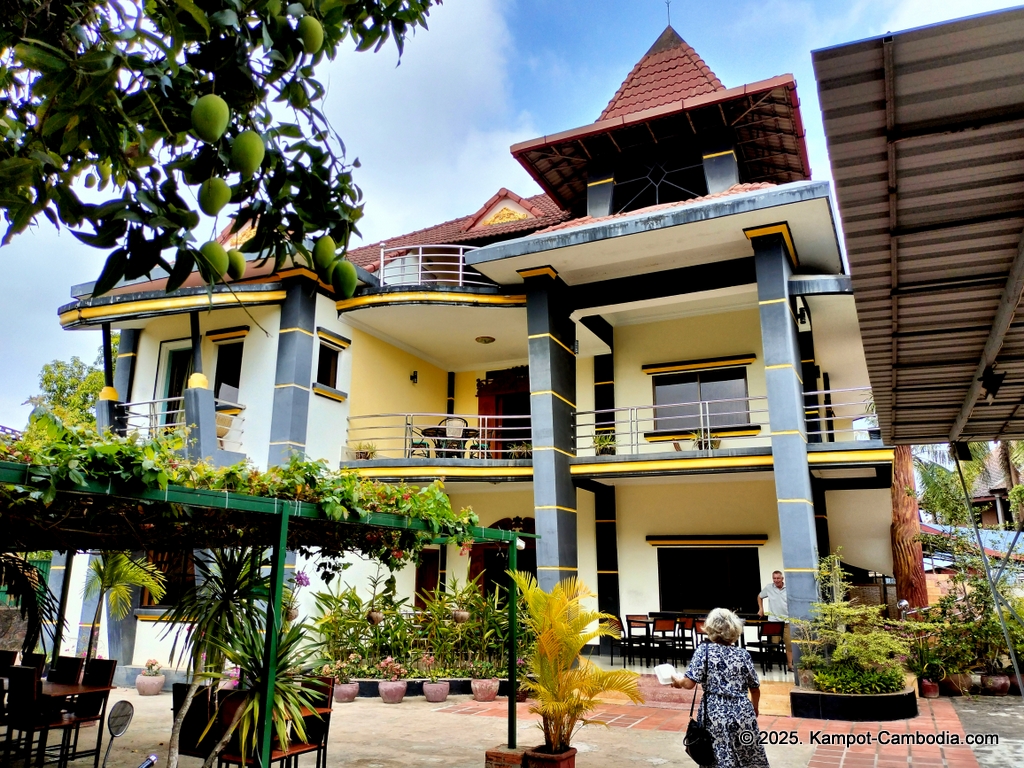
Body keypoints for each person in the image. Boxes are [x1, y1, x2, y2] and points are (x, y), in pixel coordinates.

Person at [671, 608, 768, 768]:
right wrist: (754, 708)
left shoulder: (704, 651)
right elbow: (755, 687)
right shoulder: (743, 654)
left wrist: (676, 680)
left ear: (711, 628)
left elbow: (688, 684)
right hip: (742, 712)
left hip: (714, 714)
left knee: (719, 757)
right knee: (748, 755)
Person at [758, 570, 792, 669]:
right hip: (774, 621)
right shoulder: (769, 587)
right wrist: (761, 608)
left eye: (778, 578)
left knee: (789, 644)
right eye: (774, 578)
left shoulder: (788, 588)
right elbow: (759, 596)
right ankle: (771, 665)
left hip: (786, 620)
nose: (776, 580)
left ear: (782, 579)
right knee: (773, 644)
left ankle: (790, 665)